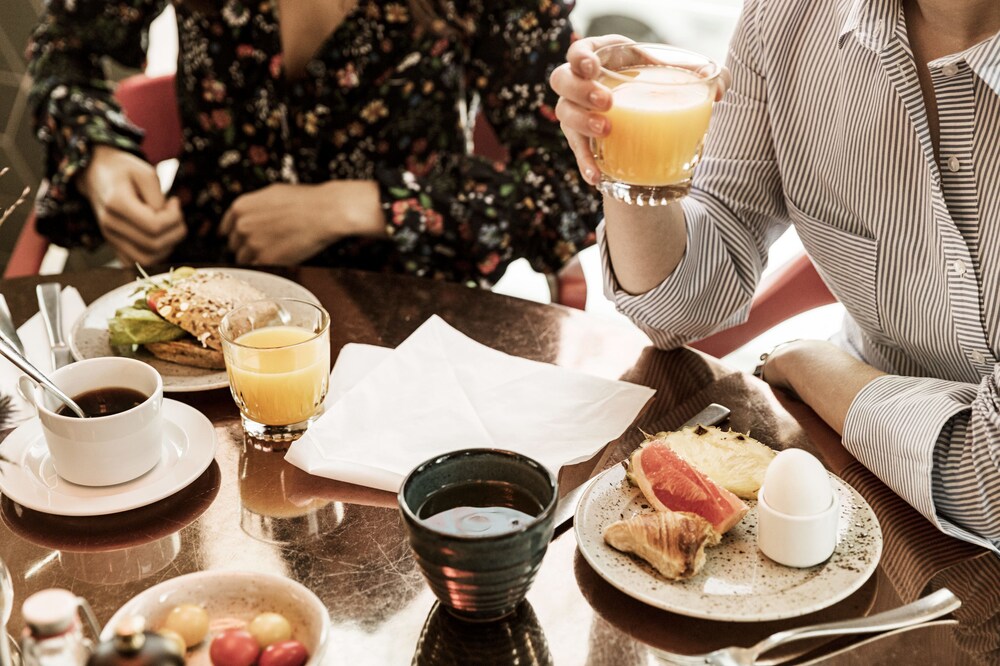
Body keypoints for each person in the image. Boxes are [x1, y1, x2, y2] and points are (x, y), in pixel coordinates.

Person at [550, 0, 1000, 554]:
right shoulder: (787, 16)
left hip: (851, 411)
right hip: (849, 474)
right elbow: (682, 309)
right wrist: (632, 163)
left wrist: (816, 368)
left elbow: (988, 484)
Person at [26, 0, 600, 286]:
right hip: (208, 306)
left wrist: (354, 206)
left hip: (411, 318)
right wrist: (99, 158)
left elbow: (568, 185)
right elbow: (60, 50)